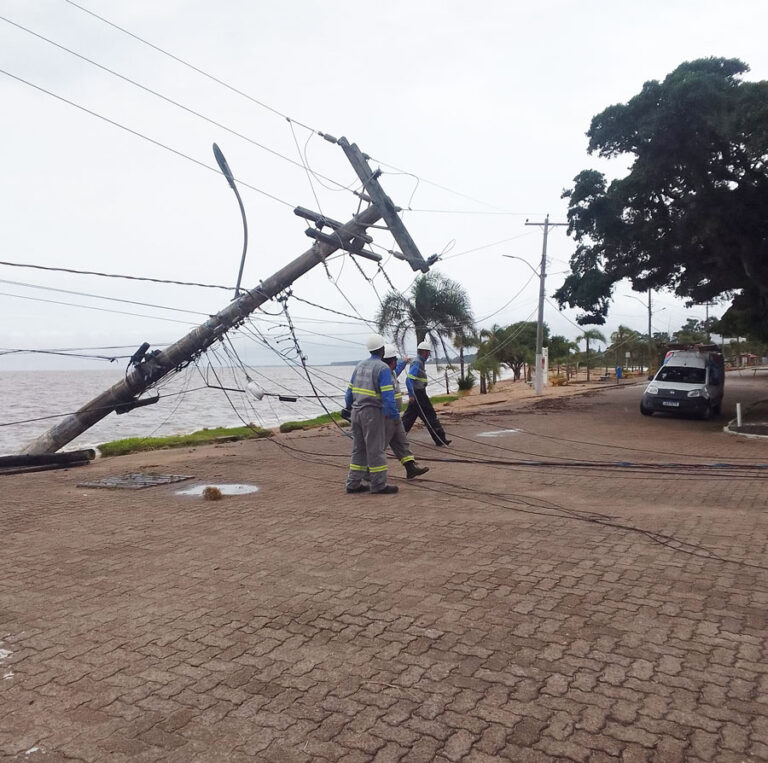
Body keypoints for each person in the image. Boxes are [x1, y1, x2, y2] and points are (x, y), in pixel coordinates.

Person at [344, 334, 400, 495]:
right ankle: (378, 484)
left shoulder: (359, 366)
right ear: (382, 350)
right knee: (375, 450)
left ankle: (353, 483)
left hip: (356, 412)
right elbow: (388, 396)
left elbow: (349, 392)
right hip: (372, 414)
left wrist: (348, 408)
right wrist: (394, 416)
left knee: (358, 449)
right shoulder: (382, 368)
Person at [382, 344, 430, 479]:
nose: (396, 362)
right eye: (396, 359)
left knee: (402, 442)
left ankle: (411, 467)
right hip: (385, 416)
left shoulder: (391, 372)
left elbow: (397, 369)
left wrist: (404, 361)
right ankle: (369, 473)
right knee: (380, 446)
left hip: (394, 416)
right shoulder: (382, 374)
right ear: (391, 361)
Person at [402, 340, 451, 446]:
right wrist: (411, 395)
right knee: (430, 416)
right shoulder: (418, 362)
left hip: (418, 394)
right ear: (424, 352)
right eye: (428, 352)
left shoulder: (419, 362)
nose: (429, 355)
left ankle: (396, 439)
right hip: (419, 395)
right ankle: (440, 439)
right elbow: (408, 379)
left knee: (408, 419)